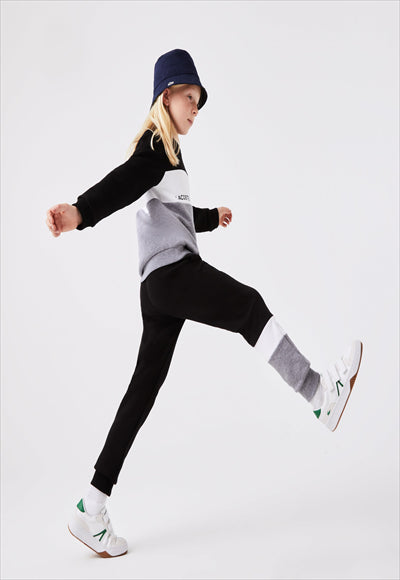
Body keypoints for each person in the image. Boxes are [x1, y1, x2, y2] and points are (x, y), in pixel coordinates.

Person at [45, 48, 363, 559]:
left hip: (157, 287)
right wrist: (80, 212)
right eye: (189, 98)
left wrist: (212, 217)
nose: (195, 108)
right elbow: (123, 183)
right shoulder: (154, 147)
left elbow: (175, 210)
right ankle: (320, 394)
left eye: (199, 101)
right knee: (249, 306)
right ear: (166, 96)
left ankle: (91, 506)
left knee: (142, 391)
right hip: (172, 274)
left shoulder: (169, 156)